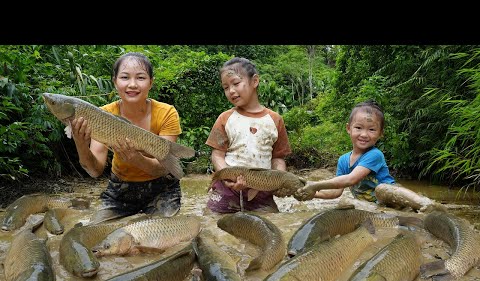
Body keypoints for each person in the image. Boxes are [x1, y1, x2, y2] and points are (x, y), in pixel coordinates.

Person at [70, 52, 184, 223]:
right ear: (115, 82)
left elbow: (163, 168)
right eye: (124, 77)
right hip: (121, 188)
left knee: (159, 237)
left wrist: (136, 159)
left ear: (150, 82)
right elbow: (95, 171)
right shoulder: (102, 115)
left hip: (162, 187)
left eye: (140, 78)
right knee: (97, 235)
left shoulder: (167, 112)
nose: (132, 85)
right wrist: (80, 143)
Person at [205, 57, 292, 213]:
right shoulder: (225, 119)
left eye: (236, 83)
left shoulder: (275, 120)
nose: (231, 91)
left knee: (273, 227)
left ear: (255, 81)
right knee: (213, 226)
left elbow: (277, 158)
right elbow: (217, 155)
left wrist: (280, 179)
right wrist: (228, 177)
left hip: (262, 193)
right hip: (227, 191)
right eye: (226, 87)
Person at [295, 100, 395, 203]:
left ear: (380, 133)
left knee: (383, 190)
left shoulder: (375, 155)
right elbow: (335, 192)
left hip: (391, 202)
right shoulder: (343, 160)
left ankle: (413, 201)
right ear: (348, 128)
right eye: (358, 128)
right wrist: (310, 192)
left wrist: (315, 185)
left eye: (372, 130)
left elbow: (351, 179)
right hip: (370, 208)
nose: (364, 134)